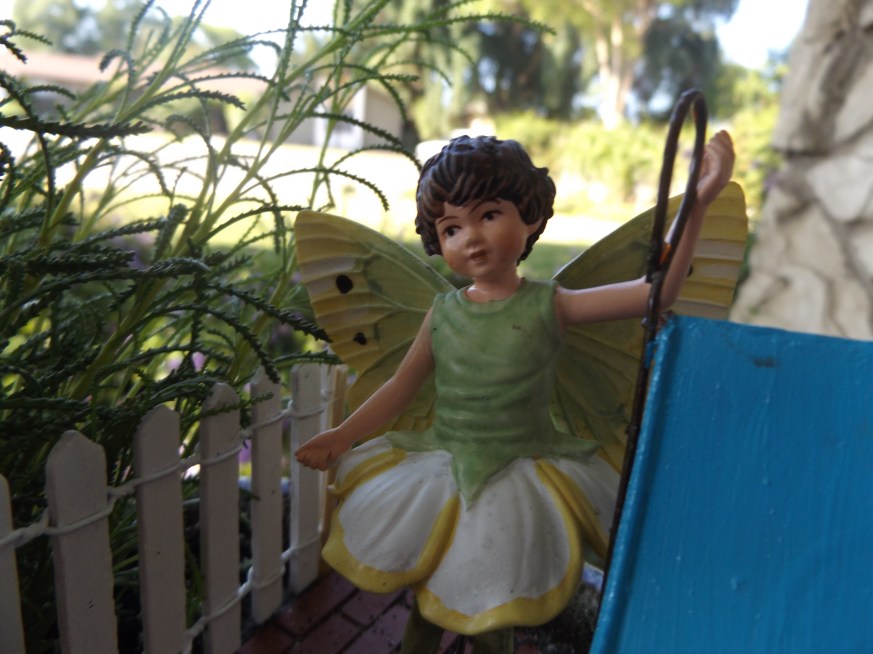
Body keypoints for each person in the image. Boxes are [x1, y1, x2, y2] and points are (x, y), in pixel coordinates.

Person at [296, 132, 735, 653]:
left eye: (489, 215)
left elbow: (655, 293)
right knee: (428, 605)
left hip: (521, 474)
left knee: (494, 606)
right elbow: (400, 386)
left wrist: (699, 203)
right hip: (441, 467)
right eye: (452, 228)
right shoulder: (442, 313)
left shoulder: (553, 305)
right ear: (438, 240)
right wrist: (344, 435)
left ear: (529, 217)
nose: (472, 238)